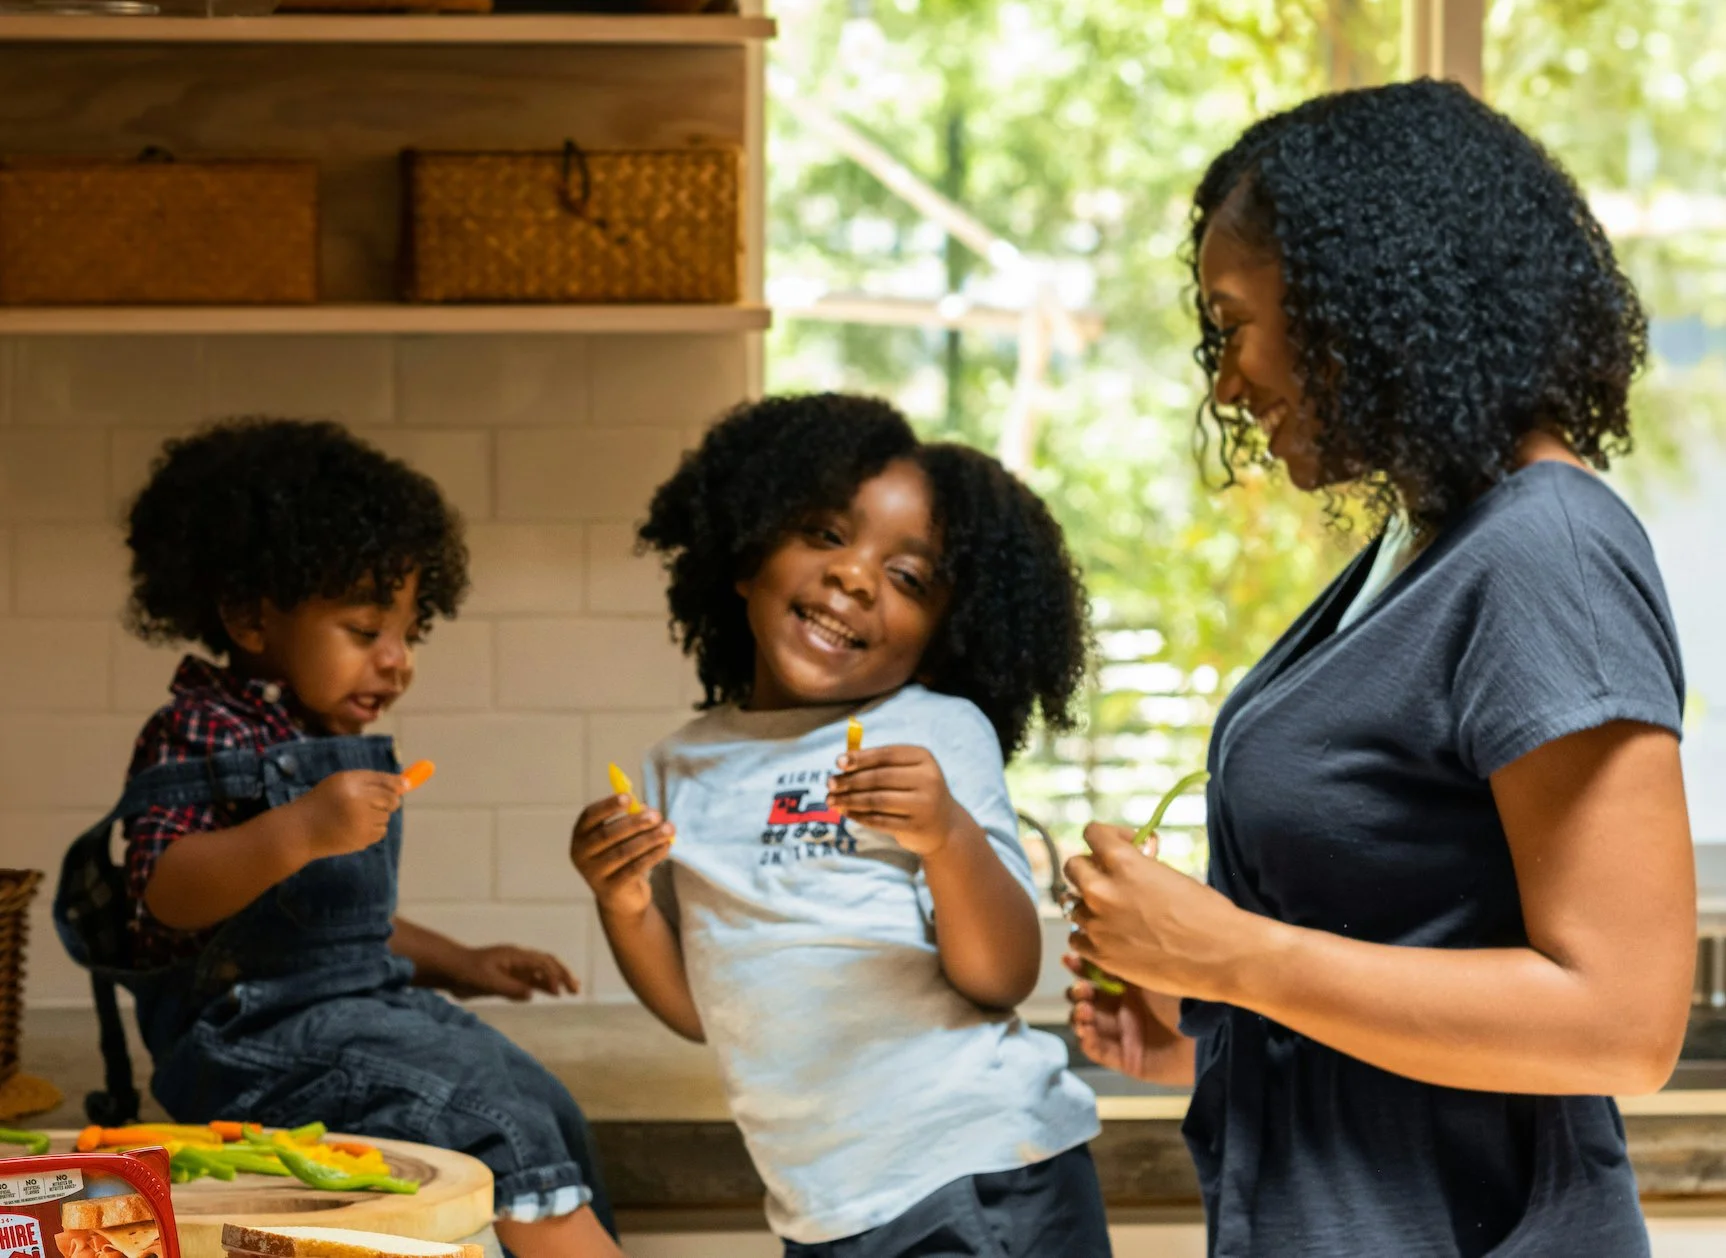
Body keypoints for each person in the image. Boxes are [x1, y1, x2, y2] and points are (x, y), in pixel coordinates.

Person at [1063, 78, 1694, 1258]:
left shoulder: (1541, 548)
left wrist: (1232, 955)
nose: (1226, 384)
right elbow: (1422, 945)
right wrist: (1204, 1020)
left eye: (1232, 323)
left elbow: (1621, 1023)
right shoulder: (1423, 543)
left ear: (1361, 305)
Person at [54, 418, 621, 1258]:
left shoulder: (317, 731)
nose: (397, 661)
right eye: (365, 632)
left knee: (540, 1098)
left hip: (357, 1013)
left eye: (408, 633)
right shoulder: (201, 729)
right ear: (252, 618)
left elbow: (323, 923)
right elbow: (165, 893)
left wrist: (464, 961)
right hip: (251, 1041)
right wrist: (301, 827)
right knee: (493, 1119)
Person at [570, 394, 1108, 1257]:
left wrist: (949, 839)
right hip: (821, 1208)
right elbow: (702, 1010)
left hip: (979, 1173)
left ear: (941, 637)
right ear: (746, 555)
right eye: (825, 534)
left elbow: (1003, 975)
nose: (856, 577)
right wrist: (623, 904)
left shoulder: (935, 732)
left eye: (907, 578)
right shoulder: (680, 767)